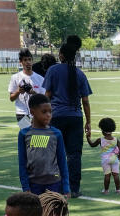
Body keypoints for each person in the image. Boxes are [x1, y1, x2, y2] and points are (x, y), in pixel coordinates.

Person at [18, 94, 70, 216]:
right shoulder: (25, 134)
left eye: (50, 112)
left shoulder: (56, 134)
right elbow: (22, 163)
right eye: (44, 112)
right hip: (34, 185)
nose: (48, 115)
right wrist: (26, 187)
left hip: (54, 184)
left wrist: (66, 187)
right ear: (32, 112)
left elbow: (62, 162)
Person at [43, 35, 92, 198]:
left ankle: (53, 186)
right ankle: (74, 188)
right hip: (76, 118)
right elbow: (85, 100)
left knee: (52, 152)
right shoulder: (80, 74)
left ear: (62, 55)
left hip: (56, 117)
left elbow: (47, 95)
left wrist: (42, 116)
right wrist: (88, 122)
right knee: (74, 154)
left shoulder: (53, 70)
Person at [9, 47, 46, 127]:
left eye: (29, 59)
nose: (28, 62)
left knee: (37, 136)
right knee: (27, 136)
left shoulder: (40, 78)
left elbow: (44, 99)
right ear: (20, 62)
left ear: (32, 61)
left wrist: (33, 93)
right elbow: (11, 98)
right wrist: (18, 91)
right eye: (25, 60)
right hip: (21, 113)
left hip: (37, 112)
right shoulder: (15, 77)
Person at [86, 117, 120, 194]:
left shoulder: (100, 140)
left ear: (102, 130)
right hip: (114, 159)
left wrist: (88, 137)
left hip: (105, 160)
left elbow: (92, 145)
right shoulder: (116, 140)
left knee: (107, 175)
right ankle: (118, 190)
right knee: (116, 175)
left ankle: (106, 190)